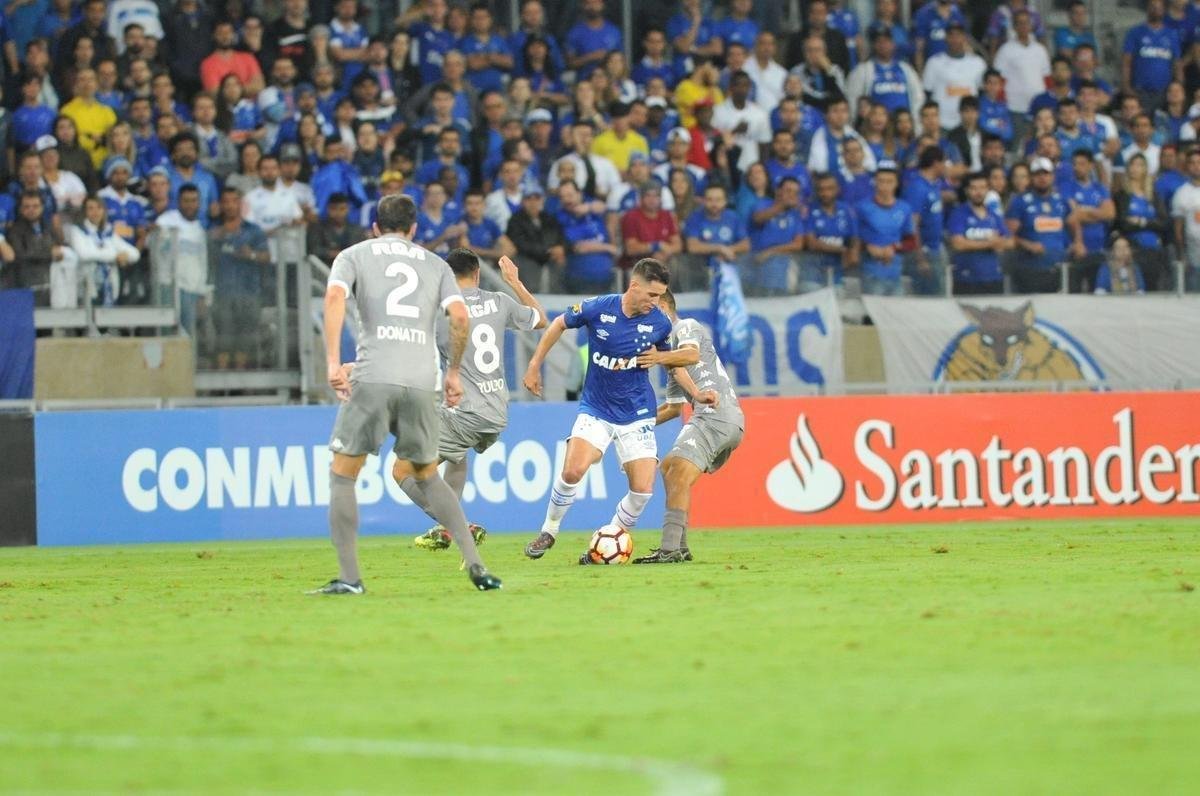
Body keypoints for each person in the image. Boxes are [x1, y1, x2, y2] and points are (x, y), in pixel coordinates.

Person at [317, 194, 501, 594]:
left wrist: (333, 362)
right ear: (415, 229)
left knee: (343, 476)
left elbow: (334, 298)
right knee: (429, 475)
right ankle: (477, 567)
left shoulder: (353, 254)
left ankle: (350, 580)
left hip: (373, 376)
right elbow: (460, 315)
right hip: (422, 382)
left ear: (375, 227)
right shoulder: (436, 264)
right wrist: (452, 372)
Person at [520, 257, 691, 562]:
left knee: (643, 490)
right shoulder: (599, 307)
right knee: (573, 469)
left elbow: (671, 364)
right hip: (597, 407)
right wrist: (534, 365)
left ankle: (606, 540)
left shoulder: (660, 323)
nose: (656, 302)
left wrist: (695, 392)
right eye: (652, 295)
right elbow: (559, 323)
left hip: (637, 412)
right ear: (634, 286)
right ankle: (549, 529)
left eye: (661, 296)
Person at [409, 250, 547, 549]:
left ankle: (457, 525)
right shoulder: (499, 301)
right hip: (497, 411)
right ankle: (446, 530)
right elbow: (540, 319)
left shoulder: (440, 312)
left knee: (404, 469)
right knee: (457, 456)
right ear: (478, 274)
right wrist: (515, 282)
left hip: (465, 411)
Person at [634, 288, 742, 563]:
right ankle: (678, 546)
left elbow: (691, 356)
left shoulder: (686, 326)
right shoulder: (672, 358)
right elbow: (672, 409)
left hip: (716, 413)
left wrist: (658, 357)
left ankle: (669, 549)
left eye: (649, 307)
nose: (644, 314)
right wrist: (631, 425)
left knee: (679, 472)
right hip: (711, 416)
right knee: (669, 466)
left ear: (663, 308)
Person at [1006, 157, 1084, 294]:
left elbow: (1074, 223)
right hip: (1031, 269)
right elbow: (1007, 235)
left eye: (1045, 174)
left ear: (1052, 176)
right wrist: (1027, 244)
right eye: (1037, 174)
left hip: (1060, 268)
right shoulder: (1020, 202)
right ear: (1031, 177)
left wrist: (1078, 243)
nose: (1042, 178)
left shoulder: (1060, 201)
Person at [152, 184, 209, 337]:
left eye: (193, 200)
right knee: (166, 334)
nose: (190, 205)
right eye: (186, 200)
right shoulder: (166, 221)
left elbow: (202, 262)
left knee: (188, 335)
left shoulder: (199, 230)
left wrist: (201, 291)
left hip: (191, 289)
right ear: (178, 201)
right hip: (169, 286)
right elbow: (152, 244)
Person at [948, 171, 1013, 295]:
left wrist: (994, 243)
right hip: (966, 279)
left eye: (982, 188)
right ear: (967, 190)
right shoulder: (959, 213)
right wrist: (990, 244)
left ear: (988, 190)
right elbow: (958, 244)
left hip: (993, 278)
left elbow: (1010, 242)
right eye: (974, 188)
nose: (978, 192)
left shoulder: (994, 215)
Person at [854, 161, 913, 296]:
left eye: (889, 181)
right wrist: (868, 246)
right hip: (870, 271)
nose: (884, 186)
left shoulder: (904, 208)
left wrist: (894, 248)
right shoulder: (862, 207)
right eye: (881, 181)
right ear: (875, 182)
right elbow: (854, 237)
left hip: (895, 272)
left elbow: (910, 241)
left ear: (896, 183)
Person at [921, 22, 985, 131]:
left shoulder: (978, 63)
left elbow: (982, 93)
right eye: (951, 35)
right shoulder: (934, 62)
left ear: (964, 37)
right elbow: (927, 93)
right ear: (946, 38)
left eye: (958, 35)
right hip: (942, 124)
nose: (955, 39)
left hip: (968, 124)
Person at [1122, 0, 1181, 116]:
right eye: (1153, 7)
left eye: (1159, 7)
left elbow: (1177, 63)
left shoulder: (1171, 34)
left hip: (1164, 91)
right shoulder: (1135, 32)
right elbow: (1126, 62)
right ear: (1147, 9)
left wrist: (1179, 84)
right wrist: (1126, 86)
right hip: (1141, 91)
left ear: (1164, 10)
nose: (1156, 10)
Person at [803, 172, 858, 291]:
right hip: (812, 274)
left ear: (837, 189)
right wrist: (842, 250)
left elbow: (854, 238)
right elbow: (812, 243)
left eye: (830, 188)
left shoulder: (847, 210)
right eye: (821, 189)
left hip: (839, 273)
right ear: (816, 191)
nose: (825, 193)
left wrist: (852, 253)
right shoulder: (809, 210)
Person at [505, 184, 565, 291]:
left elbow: (559, 237)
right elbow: (521, 244)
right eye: (529, 199)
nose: (533, 203)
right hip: (526, 260)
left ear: (542, 200)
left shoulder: (548, 218)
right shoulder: (515, 220)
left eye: (537, 198)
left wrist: (560, 248)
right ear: (523, 201)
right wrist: (548, 251)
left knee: (562, 260)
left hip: (549, 258)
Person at [1170, 147, 1200, 292]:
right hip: (1194, 255)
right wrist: (1182, 255)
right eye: (1192, 163)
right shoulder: (1181, 193)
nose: (1196, 166)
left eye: (1199, 162)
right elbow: (1178, 230)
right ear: (1187, 167)